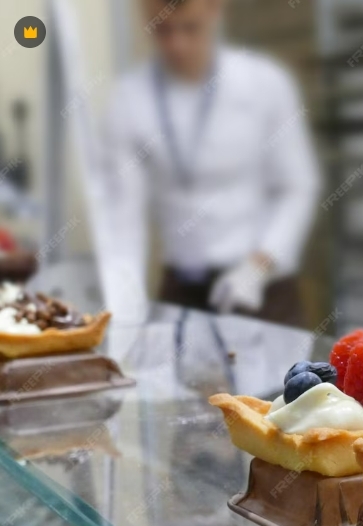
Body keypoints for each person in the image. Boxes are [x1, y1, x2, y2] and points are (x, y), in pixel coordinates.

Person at [94, 0, 318, 327]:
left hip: (263, 289)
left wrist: (259, 265)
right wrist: (124, 304)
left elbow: (297, 187)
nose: (177, 44)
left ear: (215, 9)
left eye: (190, 28)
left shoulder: (264, 83)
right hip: (181, 290)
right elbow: (123, 218)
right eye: (163, 30)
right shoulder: (128, 100)